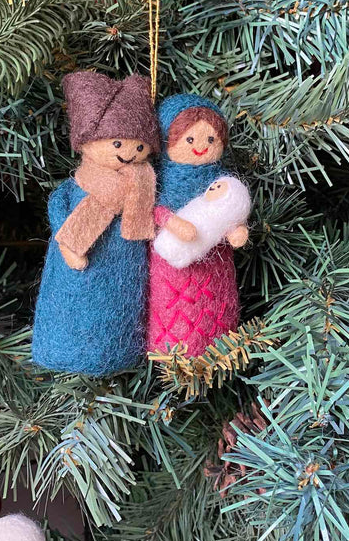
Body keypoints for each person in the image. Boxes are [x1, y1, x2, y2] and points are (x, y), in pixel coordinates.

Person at [32, 72, 159, 375]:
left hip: (125, 268)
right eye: (117, 142)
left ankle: (120, 353)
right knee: (68, 309)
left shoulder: (142, 186)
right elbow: (58, 206)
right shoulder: (79, 185)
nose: (129, 153)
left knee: (120, 312)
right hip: (75, 268)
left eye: (140, 147)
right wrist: (68, 241)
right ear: (87, 143)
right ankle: (58, 348)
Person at [147, 94, 249, 356]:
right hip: (172, 262)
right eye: (190, 139)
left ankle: (221, 341)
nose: (200, 147)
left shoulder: (221, 180)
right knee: (173, 306)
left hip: (215, 262)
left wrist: (235, 230)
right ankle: (170, 349)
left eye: (211, 139)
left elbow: (228, 208)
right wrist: (172, 222)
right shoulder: (161, 178)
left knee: (215, 303)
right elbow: (155, 210)